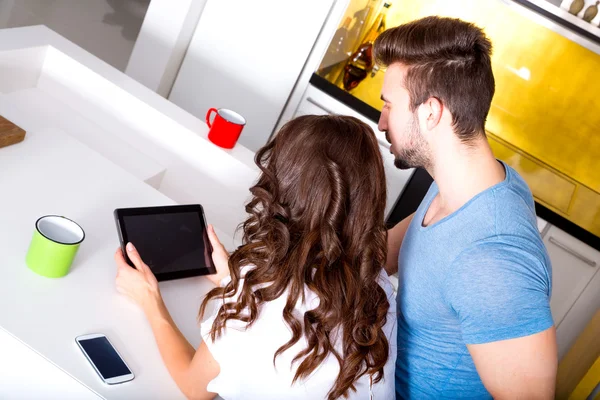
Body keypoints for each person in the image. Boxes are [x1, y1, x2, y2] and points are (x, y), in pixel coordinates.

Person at [114, 115, 397, 399]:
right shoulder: (377, 285)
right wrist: (232, 279)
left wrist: (150, 300)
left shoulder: (261, 300)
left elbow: (193, 387)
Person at [374, 16, 557, 399]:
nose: (381, 121)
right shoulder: (461, 184)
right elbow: (395, 251)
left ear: (431, 112)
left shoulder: (493, 259)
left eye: (390, 105)